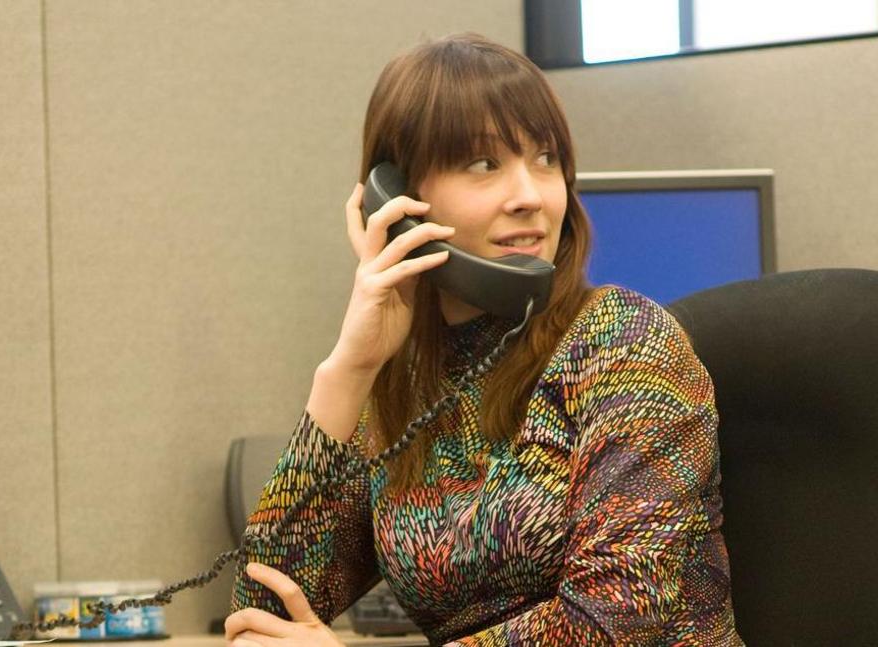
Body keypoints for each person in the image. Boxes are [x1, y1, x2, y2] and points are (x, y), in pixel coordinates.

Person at [223, 33, 743, 646]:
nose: (530, 195)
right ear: (402, 199)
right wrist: (348, 371)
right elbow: (262, 611)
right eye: (483, 164)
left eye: (546, 159)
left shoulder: (626, 343)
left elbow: (615, 620)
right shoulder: (408, 391)